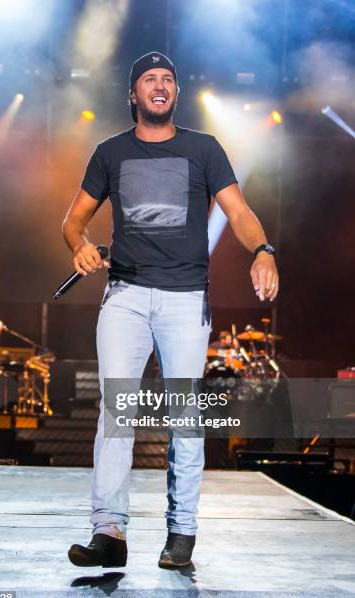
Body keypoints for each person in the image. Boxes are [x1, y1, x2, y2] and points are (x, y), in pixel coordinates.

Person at [62, 51, 279, 569]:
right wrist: (80, 245)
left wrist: (263, 250)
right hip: (126, 297)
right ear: (134, 94)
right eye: (149, 79)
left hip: (185, 299)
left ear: (176, 92)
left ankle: (181, 532)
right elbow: (73, 221)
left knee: (184, 414)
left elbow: (239, 211)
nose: (159, 85)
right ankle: (108, 532)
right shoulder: (110, 152)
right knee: (116, 411)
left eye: (168, 79)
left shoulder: (203, 149)